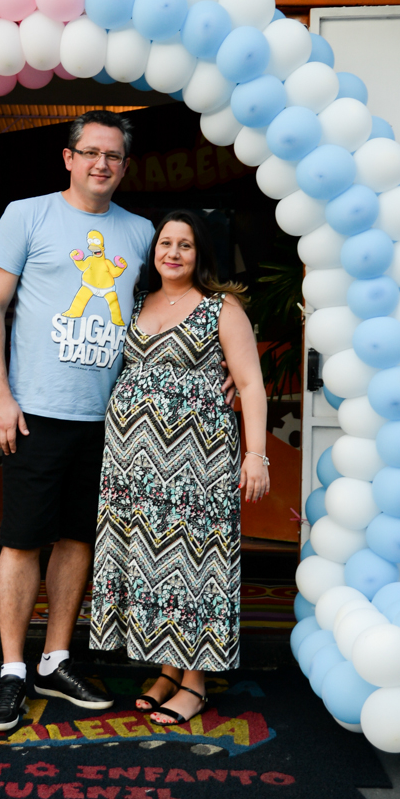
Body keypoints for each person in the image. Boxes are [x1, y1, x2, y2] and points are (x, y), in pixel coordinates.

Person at [0, 112, 235, 732]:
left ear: (124, 165)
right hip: (35, 410)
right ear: (68, 157)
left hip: (115, 422)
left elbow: (186, 289)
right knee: (22, 539)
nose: (102, 164)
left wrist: (227, 359)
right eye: (90, 152)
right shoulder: (27, 215)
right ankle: (13, 670)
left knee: (77, 538)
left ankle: (56, 660)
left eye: (113, 156)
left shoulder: (142, 232)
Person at [88, 209, 270, 725]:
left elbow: (251, 384)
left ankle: (196, 683)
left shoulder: (221, 308)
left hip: (197, 459)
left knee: (194, 565)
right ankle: (169, 669)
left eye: (184, 245)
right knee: (153, 563)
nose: (172, 252)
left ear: (199, 255)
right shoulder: (136, 301)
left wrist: (256, 455)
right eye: (165, 243)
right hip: (133, 463)